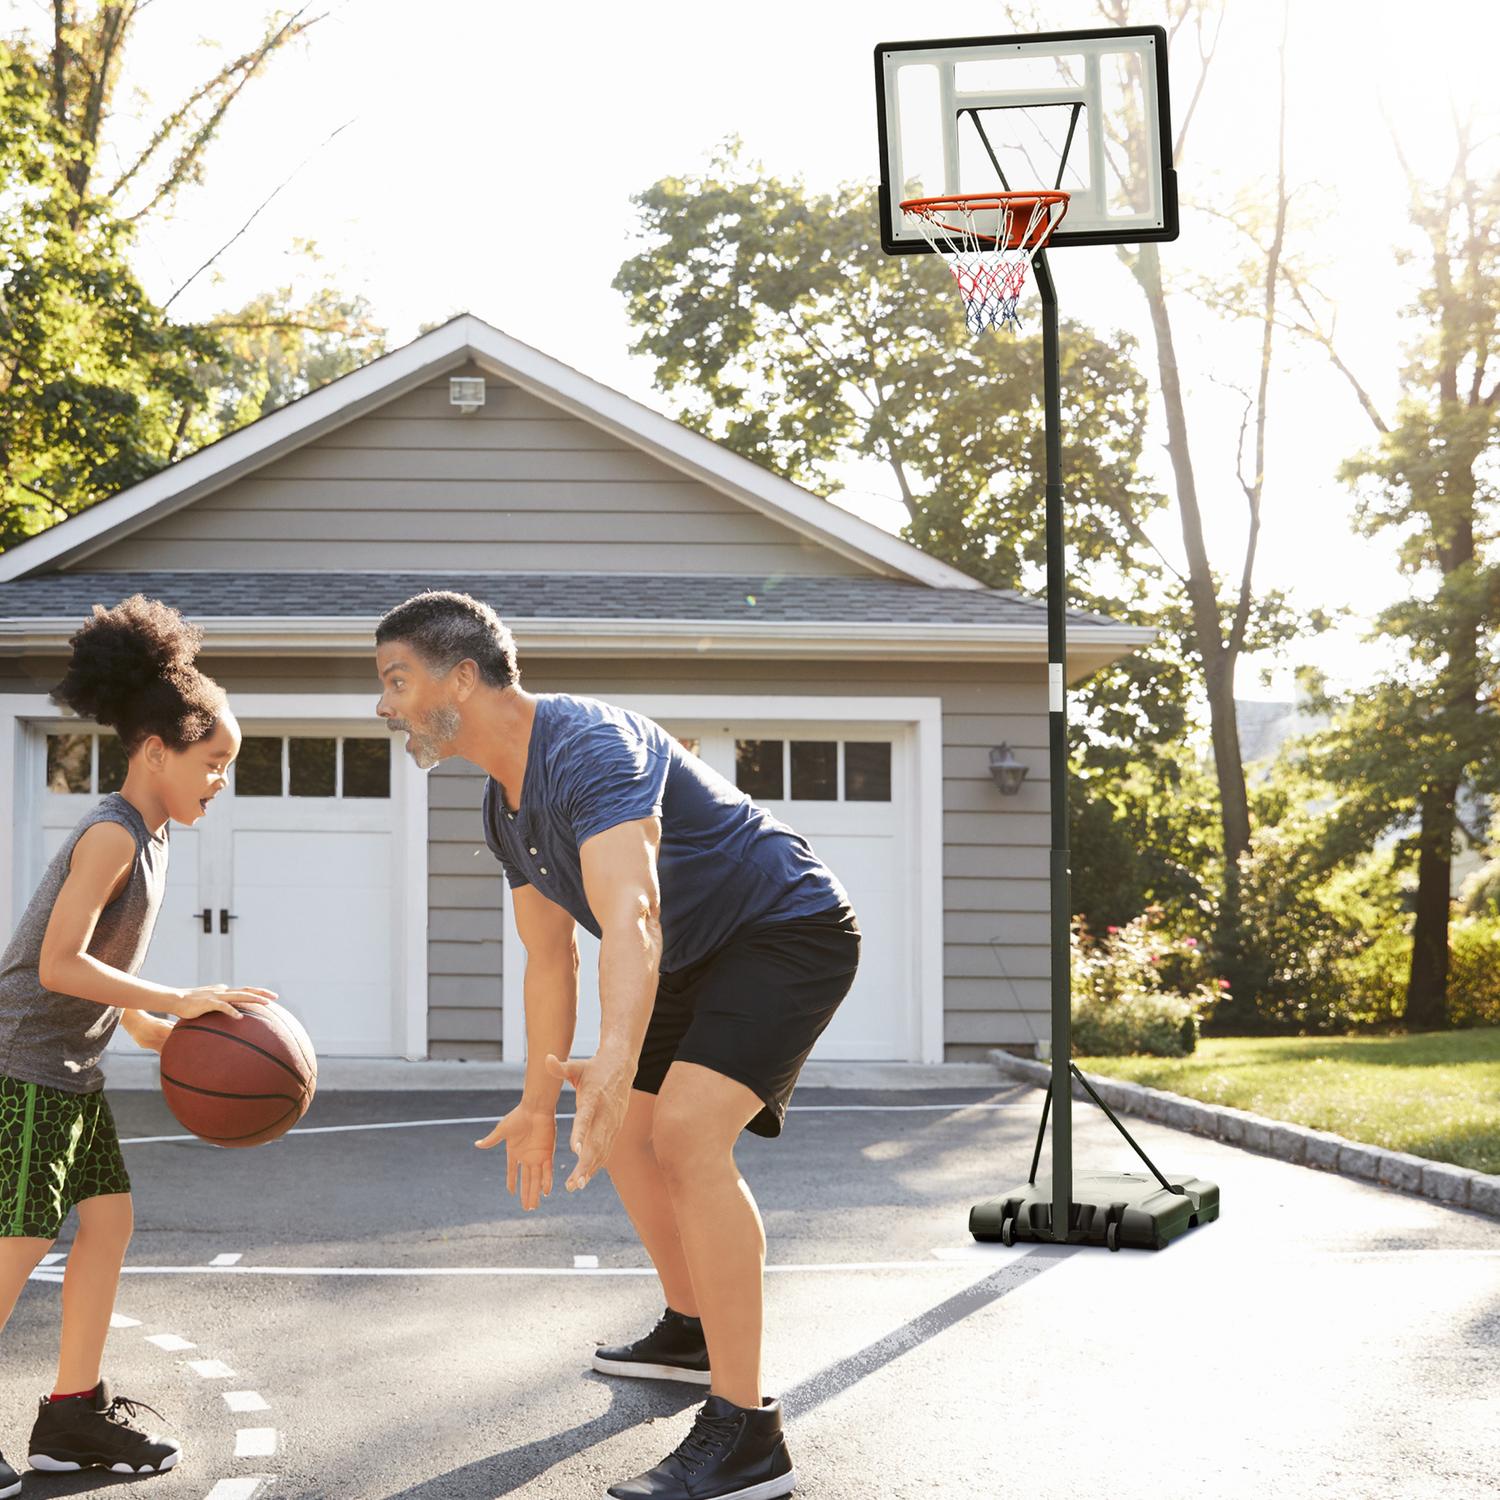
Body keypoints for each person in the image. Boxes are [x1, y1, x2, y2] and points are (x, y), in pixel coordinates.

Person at [375, 589, 860, 1500]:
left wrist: (616, 1058)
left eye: (396, 681)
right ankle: (693, 1327)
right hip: (689, 952)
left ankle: (748, 1434)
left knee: (684, 1134)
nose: (383, 705)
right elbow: (549, 958)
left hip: (783, 927)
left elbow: (632, 916)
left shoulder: (591, 747)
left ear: (463, 677)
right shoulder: (503, 808)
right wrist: (537, 1103)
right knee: (629, 1135)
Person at [0, 596, 275, 1494]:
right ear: (156, 750)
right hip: (22, 1068)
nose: (221, 781)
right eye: (213, 762)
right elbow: (57, 964)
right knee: (17, 1243)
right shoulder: (112, 833)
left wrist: (165, 1026)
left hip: (70, 1072)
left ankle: (70, 1416)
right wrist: (172, 996)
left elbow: (104, 980)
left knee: (108, 1224)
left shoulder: (151, 841)